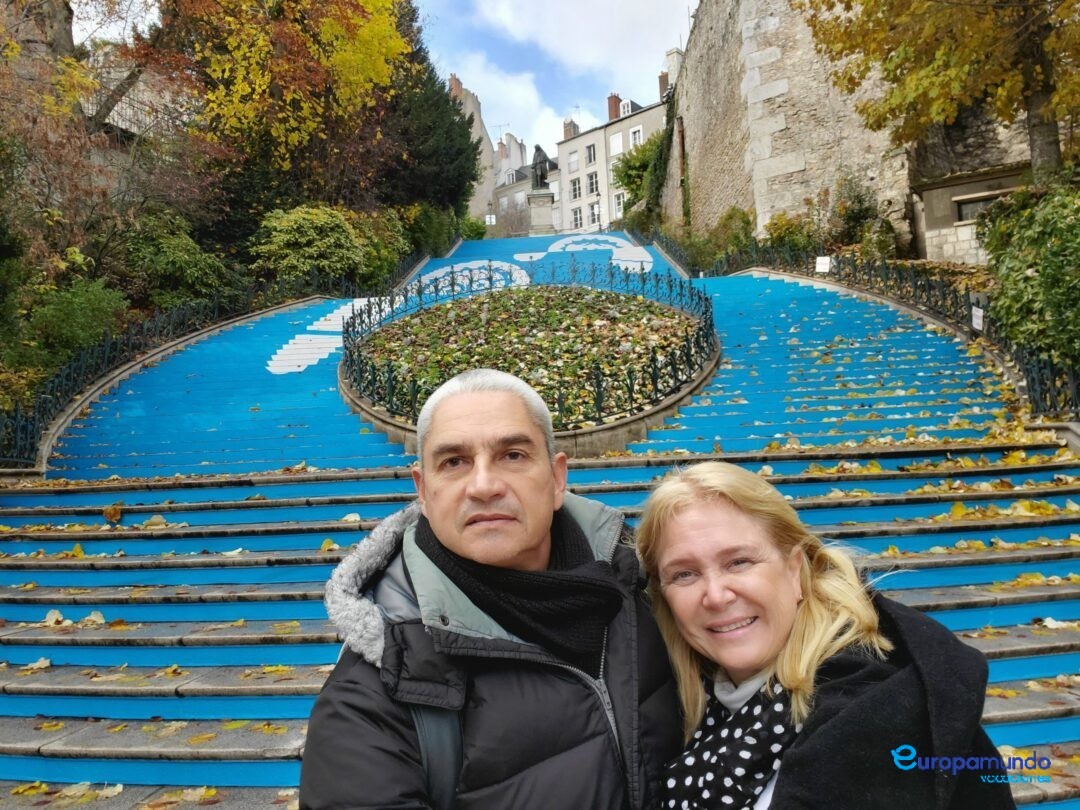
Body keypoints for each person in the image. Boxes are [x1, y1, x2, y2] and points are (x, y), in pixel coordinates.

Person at [300, 369, 682, 809]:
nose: (483, 486)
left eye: (513, 455)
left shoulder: (647, 589)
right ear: (423, 491)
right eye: (453, 462)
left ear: (557, 479)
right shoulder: (374, 695)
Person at [635, 461, 1015, 810]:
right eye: (684, 574)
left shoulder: (880, 713)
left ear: (795, 568)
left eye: (739, 562)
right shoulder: (676, 706)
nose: (716, 596)